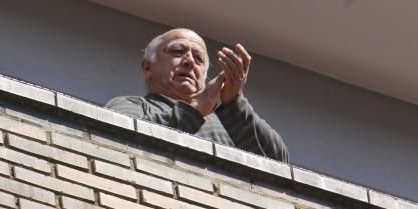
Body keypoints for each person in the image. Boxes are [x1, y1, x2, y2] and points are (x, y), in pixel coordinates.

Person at [106, 28, 288, 161]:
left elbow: (279, 162)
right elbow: (116, 139)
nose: (189, 62)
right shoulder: (133, 105)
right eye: (178, 52)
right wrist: (194, 110)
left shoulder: (229, 122)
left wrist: (234, 102)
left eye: (198, 59)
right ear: (147, 67)